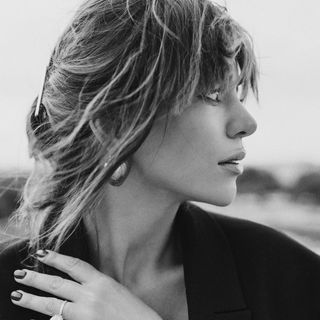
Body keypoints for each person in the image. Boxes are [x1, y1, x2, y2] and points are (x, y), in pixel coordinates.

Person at [1, 0, 320, 319]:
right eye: (212, 93)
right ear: (114, 121)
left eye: (237, 91)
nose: (247, 123)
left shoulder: (295, 282)